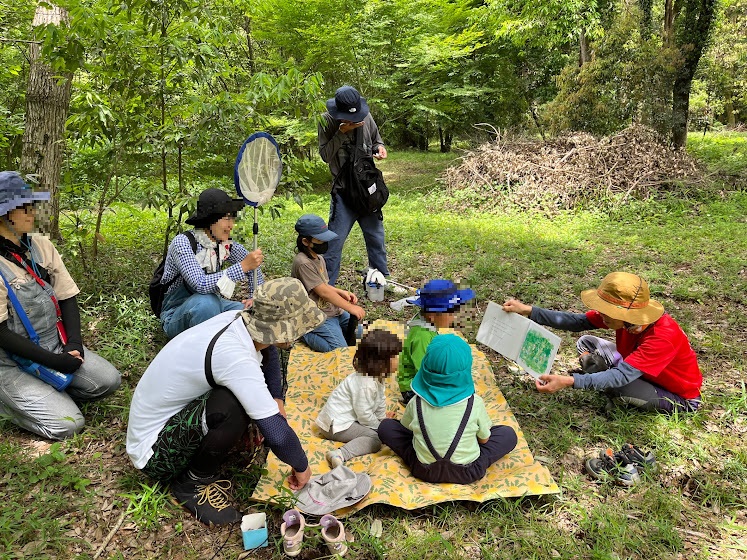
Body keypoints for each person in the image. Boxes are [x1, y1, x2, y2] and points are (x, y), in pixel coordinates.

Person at [126, 277, 325, 526]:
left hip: (164, 417)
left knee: (248, 397)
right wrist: (301, 466)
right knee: (236, 403)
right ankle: (192, 483)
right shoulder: (235, 358)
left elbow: (268, 349)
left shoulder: (239, 321)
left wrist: (275, 398)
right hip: (155, 453)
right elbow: (278, 434)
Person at [0, 171, 121, 440]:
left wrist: (74, 346)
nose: (31, 212)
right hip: (10, 362)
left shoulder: (40, 246)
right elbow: (1, 333)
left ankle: (50, 389)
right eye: (23, 207)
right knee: (68, 424)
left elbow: (67, 296)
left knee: (109, 380)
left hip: (53, 345)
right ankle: (9, 400)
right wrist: (55, 362)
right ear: (4, 215)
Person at [502, 271, 702, 414]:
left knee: (618, 385)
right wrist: (529, 310)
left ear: (628, 315)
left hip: (678, 397)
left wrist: (571, 382)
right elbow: (578, 322)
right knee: (586, 342)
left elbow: (622, 376)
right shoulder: (627, 321)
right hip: (636, 367)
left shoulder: (662, 336)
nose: (602, 315)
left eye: (609, 312)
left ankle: (607, 382)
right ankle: (603, 377)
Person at [378, 334, 517, 484]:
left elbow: (407, 430)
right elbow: (484, 440)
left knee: (386, 426)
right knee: (508, 434)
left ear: (425, 367)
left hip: (423, 470)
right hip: (468, 471)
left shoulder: (415, 402)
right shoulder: (475, 403)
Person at [159, 187, 264, 339]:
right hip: (177, 312)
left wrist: (253, 297)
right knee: (206, 304)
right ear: (210, 219)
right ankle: (205, 356)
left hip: (215, 303)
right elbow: (199, 284)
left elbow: (254, 268)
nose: (231, 225)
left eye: (232, 219)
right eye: (226, 218)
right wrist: (242, 266)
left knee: (254, 313)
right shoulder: (183, 243)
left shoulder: (224, 244)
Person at [318, 85, 393, 287]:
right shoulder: (326, 121)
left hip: (367, 188)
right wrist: (341, 133)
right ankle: (327, 286)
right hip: (343, 191)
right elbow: (325, 155)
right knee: (333, 242)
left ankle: (381, 279)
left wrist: (380, 148)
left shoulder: (366, 116)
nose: (353, 119)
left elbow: (377, 139)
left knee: (376, 236)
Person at [317, 329, 402, 468]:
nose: (397, 360)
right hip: (335, 426)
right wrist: (381, 428)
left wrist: (382, 420)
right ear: (380, 362)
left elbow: (380, 400)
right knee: (375, 439)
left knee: (379, 429)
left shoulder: (377, 377)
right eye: (394, 357)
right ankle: (340, 454)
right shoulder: (366, 384)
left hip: (348, 420)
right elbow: (364, 416)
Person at [291, 214, 365, 352]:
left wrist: (340, 292)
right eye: (320, 240)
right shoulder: (303, 263)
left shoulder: (319, 258)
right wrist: (350, 307)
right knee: (340, 351)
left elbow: (323, 285)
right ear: (306, 242)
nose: (325, 243)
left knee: (360, 335)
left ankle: (334, 332)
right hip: (316, 316)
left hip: (331, 311)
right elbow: (323, 292)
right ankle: (304, 332)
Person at [398, 279, 475, 404]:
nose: (454, 316)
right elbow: (425, 372)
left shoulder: (426, 324)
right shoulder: (422, 337)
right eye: (450, 312)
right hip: (413, 388)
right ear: (432, 315)